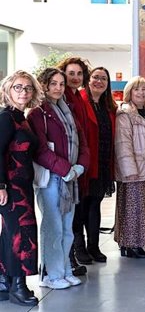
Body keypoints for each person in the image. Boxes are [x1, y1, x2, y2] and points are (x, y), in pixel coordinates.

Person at [29, 68, 89, 289]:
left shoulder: (68, 111)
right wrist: (66, 170)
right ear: (44, 85)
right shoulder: (37, 113)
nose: (58, 88)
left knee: (66, 227)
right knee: (52, 227)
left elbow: (82, 142)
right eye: (53, 83)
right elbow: (41, 150)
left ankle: (64, 269)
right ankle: (51, 275)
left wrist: (80, 166)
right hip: (52, 178)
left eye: (61, 84)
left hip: (70, 177)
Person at [0, 71, 42, 306]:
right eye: (18, 87)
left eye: (27, 88)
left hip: (23, 185)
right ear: (8, 90)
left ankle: (4, 282)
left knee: (10, 234)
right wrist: (1, 186)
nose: (23, 92)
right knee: (22, 234)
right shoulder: (6, 117)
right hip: (11, 187)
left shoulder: (21, 117)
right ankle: (19, 286)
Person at [113, 77, 145, 259]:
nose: (141, 93)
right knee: (132, 209)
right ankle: (130, 245)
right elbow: (122, 144)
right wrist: (129, 170)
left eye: (144, 89)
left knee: (143, 209)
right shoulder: (125, 114)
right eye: (137, 89)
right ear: (129, 93)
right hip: (134, 171)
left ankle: (136, 244)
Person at [77, 66, 117, 264]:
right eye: (95, 77)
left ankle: (94, 246)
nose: (99, 81)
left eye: (103, 79)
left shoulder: (108, 107)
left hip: (102, 164)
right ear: (88, 79)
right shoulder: (80, 101)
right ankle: (80, 247)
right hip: (85, 164)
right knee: (82, 207)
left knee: (95, 205)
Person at [55, 57, 90, 275]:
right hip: (64, 165)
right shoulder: (63, 97)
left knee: (73, 214)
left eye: (79, 74)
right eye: (71, 73)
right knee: (64, 215)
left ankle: (71, 259)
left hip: (78, 163)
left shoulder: (78, 97)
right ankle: (65, 261)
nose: (75, 78)